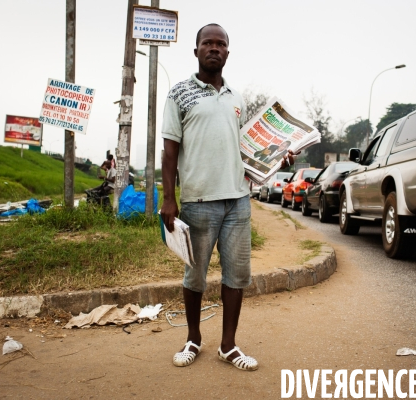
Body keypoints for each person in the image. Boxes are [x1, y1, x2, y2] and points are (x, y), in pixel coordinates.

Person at [160, 23, 298, 371]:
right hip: (198, 202)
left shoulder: (237, 97)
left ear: (227, 52)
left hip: (238, 201)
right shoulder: (179, 94)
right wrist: (169, 199)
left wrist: (278, 156)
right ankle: (193, 339)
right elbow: (169, 153)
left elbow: (246, 150)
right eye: (208, 42)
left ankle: (228, 345)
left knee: (236, 277)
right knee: (195, 277)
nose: (214, 48)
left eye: (221, 44)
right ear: (196, 51)